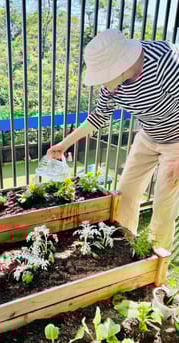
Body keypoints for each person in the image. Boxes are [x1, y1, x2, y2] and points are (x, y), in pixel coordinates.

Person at [47, 29, 179, 252]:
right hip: (148, 136)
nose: (102, 83)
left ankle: (156, 268)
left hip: (176, 142)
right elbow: (97, 117)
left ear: (122, 64)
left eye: (104, 76)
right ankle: (126, 249)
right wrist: (64, 144)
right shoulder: (111, 88)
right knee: (125, 193)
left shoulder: (165, 60)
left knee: (163, 208)